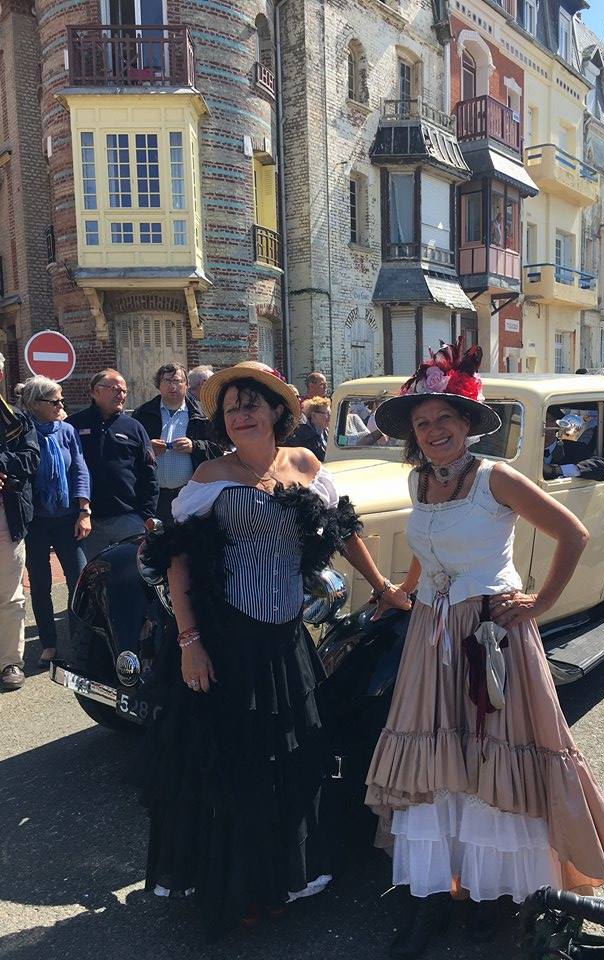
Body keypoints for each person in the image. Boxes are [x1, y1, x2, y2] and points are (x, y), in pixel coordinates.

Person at [364, 338, 604, 959]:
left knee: (490, 755)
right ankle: (438, 895)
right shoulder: (419, 480)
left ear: (467, 424)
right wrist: (401, 590)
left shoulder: (496, 479)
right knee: (438, 761)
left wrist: (537, 604)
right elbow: (426, 550)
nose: (434, 432)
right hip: (431, 638)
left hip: (489, 638)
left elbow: (574, 533)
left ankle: (490, 899)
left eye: (445, 420)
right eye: (424, 423)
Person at [138, 361, 410, 939]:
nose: (241, 414)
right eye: (231, 407)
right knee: (233, 765)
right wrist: (189, 643)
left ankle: (277, 876)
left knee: (289, 761)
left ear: (278, 413)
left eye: (251, 403)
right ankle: (237, 886)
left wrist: (385, 588)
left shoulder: (305, 465)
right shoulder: (209, 477)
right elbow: (178, 563)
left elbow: (343, 531)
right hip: (225, 640)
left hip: (285, 641)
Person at [16, 376, 91, 667]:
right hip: (35, 521)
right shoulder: (21, 432)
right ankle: (49, 645)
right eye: (55, 401)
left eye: (62, 400)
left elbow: (80, 471)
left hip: (68, 518)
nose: (61, 405)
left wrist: (84, 510)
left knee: (79, 581)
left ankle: (80, 643)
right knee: (41, 584)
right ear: (35, 404)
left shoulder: (67, 431)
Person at [68, 369, 159, 559]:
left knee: (130, 576)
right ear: (95, 391)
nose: (122, 395)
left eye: (124, 391)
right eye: (115, 389)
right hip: (87, 520)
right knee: (93, 578)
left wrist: (144, 516)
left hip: (128, 519)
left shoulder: (134, 427)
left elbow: (149, 473)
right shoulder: (73, 425)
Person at [133, 363, 223, 523]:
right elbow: (130, 450)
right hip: (153, 496)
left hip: (190, 493)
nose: (173, 386)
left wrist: (194, 446)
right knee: (156, 543)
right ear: (158, 385)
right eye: (167, 381)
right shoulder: (142, 414)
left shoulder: (203, 415)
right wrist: (148, 447)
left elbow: (219, 449)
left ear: (187, 385)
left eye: (178, 381)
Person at [0, 353, 40, 691]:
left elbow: (30, 460)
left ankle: (9, 663)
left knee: (9, 595)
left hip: (4, 517)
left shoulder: (17, 420)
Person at [542, 409, 604, 481]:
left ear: (558, 424)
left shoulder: (574, 449)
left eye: (546, 419)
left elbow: (603, 467)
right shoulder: (528, 450)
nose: (541, 425)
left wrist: (556, 470)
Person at [284, 396, 331, 461]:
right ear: (313, 415)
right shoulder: (301, 435)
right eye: (326, 413)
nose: (329, 416)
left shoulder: (327, 432)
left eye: (330, 413)